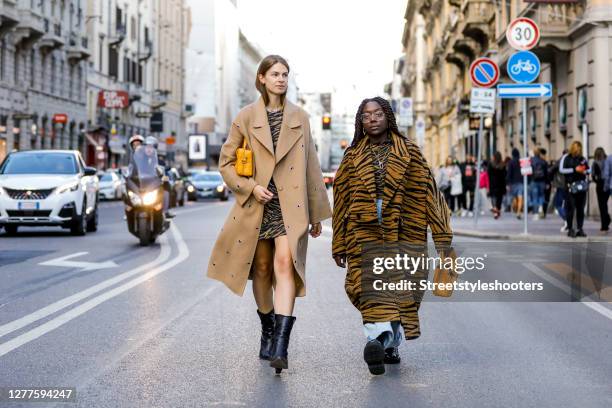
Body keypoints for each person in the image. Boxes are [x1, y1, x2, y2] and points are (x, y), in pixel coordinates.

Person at [207, 55, 331, 374]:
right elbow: (226, 163)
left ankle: (280, 345)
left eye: (285, 74)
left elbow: (311, 166)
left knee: (284, 265)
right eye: (275, 74)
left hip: (291, 205)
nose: (281, 79)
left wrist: (316, 213)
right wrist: (249, 187)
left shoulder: (300, 117)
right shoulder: (246, 117)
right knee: (261, 269)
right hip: (258, 204)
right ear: (261, 78)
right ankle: (267, 328)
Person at [332, 96, 453, 376]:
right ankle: (379, 340)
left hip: (405, 231)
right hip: (363, 231)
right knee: (370, 291)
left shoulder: (410, 152)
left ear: (388, 117)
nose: (372, 119)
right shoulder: (352, 156)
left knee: (404, 291)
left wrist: (442, 239)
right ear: (360, 122)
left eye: (377, 114)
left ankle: (387, 342)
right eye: (366, 115)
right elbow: (341, 200)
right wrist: (339, 242)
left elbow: (430, 196)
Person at [560, 141, 590, 237]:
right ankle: (570, 229)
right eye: (577, 148)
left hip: (581, 187)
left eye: (579, 148)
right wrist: (574, 170)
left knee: (580, 209)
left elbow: (589, 169)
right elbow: (561, 170)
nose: (578, 150)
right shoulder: (566, 158)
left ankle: (580, 229)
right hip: (570, 187)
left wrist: (584, 170)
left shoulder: (582, 159)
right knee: (570, 209)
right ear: (573, 148)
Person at [145, 136, 175, 219]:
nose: (149, 149)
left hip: (155, 183)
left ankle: (166, 210)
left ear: (155, 149)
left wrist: (165, 177)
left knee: (167, 186)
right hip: (142, 183)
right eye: (147, 147)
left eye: (151, 147)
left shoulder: (160, 161)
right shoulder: (139, 159)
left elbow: (164, 172)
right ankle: (129, 211)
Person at [549, 150, 568, 232]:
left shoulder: (560, 161)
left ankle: (567, 219)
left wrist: (552, 181)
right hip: (570, 185)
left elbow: (550, 170)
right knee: (567, 204)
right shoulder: (573, 160)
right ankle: (568, 220)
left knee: (557, 204)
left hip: (561, 185)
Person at [592, 147, 610, 232]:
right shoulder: (607, 160)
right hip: (607, 184)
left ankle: (604, 225)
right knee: (605, 204)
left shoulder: (595, 162)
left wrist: (597, 181)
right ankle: (606, 220)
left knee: (601, 205)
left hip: (599, 185)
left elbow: (593, 175)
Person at [529, 147, 548, 220]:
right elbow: (546, 173)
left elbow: (528, 172)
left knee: (534, 197)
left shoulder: (531, 161)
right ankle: (540, 207)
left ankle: (536, 213)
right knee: (541, 195)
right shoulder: (543, 161)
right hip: (542, 181)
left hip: (533, 181)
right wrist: (547, 182)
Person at [506, 148, 524, 219]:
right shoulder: (521, 161)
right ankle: (519, 212)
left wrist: (507, 183)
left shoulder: (511, 162)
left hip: (513, 182)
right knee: (520, 197)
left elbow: (509, 173)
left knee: (514, 197)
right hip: (521, 181)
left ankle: (516, 209)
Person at [488, 151, 506, 219]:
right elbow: (505, 175)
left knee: (493, 198)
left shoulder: (491, 164)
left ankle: (495, 211)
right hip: (501, 184)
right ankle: (498, 210)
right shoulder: (502, 164)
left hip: (493, 183)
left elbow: (488, 174)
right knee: (499, 198)